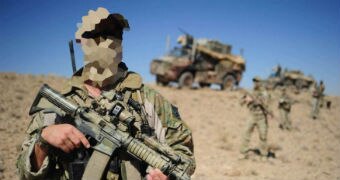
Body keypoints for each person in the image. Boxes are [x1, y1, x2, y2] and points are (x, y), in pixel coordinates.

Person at [16, 7, 195, 180]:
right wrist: (43, 141)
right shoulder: (57, 103)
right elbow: (25, 173)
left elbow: (183, 154)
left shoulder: (147, 99)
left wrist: (167, 176)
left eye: (114, 35)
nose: (107, 43)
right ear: (80, 41)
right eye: (96, 36)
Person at [239, 77, 273, 159]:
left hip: (261, 117)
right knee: (246, 133)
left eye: (257, 81)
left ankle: (264, 154)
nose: (255, 83)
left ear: (260, 83)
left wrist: (256, 101)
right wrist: (245, 100)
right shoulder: (250, 92)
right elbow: (240, 102)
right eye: (254, 81)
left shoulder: (264, 93)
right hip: (252, 115)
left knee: (263, 136)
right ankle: (243, 152)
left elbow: (266, 104)